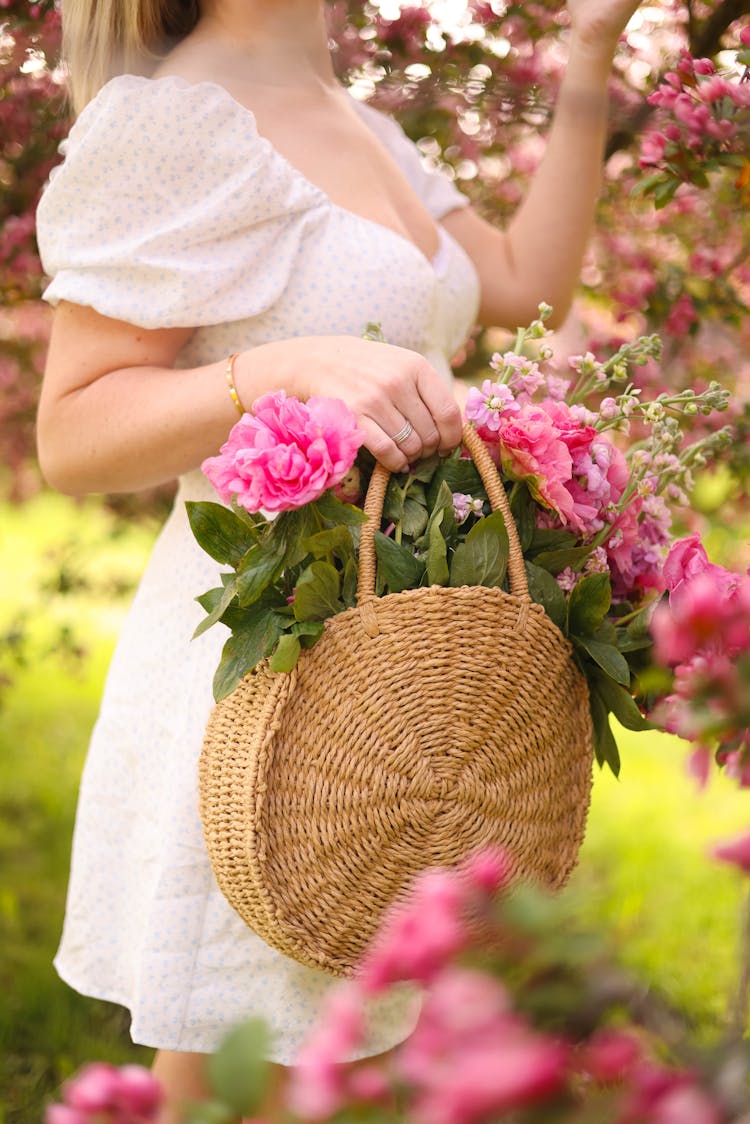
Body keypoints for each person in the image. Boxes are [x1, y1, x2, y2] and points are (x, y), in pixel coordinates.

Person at [35, 0, 643, 1119]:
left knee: (338, 1068)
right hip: (262, 679)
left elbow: (516, 279)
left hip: (387, 681)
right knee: (242, 1074)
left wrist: (595, 47)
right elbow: (70, 433)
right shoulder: (175, 121)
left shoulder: (351, 117)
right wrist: (286, 365)